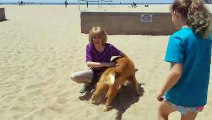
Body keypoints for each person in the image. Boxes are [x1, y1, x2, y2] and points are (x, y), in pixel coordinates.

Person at [156, 0, 211, 120]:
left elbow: (176, 72)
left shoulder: (177, 38)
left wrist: (161, 90)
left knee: (162, 112)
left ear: (176, 13)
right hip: (198, 97)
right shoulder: (207, 37)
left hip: (178, 95)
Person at [71, 26, 125, 93]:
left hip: (106, 73)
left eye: (99, 37)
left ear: (103, 37)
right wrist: (106, 64)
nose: (96, 39)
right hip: (93, 72)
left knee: (104, 90)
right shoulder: (89, 47)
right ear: (91, 38)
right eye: (94, 37)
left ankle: (95, 85)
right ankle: (88, 84)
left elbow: (122, 54)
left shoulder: (109, 47)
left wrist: (127, 65)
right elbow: (89, 64)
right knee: (74, 76)